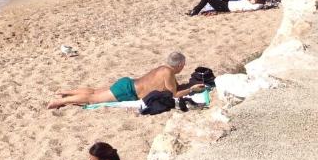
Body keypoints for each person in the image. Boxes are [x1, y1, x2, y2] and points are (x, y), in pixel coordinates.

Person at [47, 52, 205, 108]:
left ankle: (66, 93)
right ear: (181, 65)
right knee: (93, 98)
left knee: (95, 91)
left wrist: (187, 86)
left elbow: (170, 88)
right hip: (128, 91)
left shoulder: (162, 68)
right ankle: (59, 102)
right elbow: (174, 94)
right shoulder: (169, 73)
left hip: (127, 83)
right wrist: (191, 89)